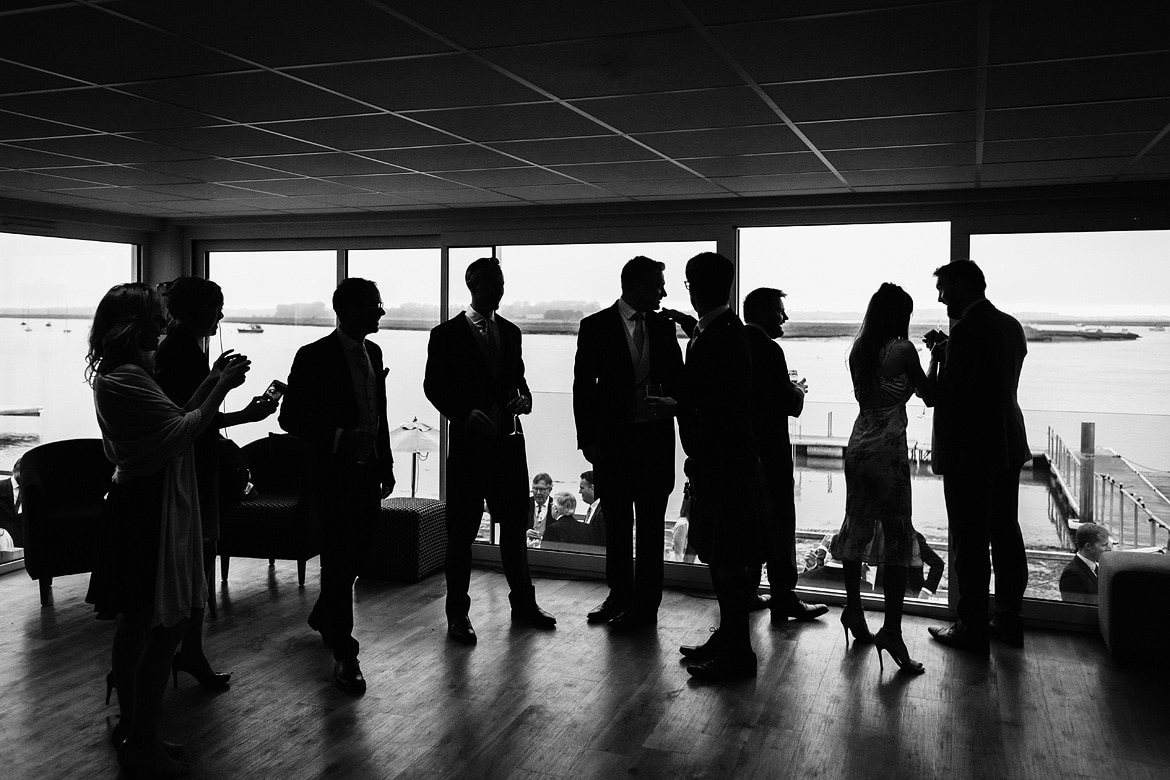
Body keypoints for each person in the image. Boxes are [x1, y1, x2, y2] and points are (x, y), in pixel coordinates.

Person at [85, 283, 249, 777]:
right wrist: (219, 387)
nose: (163, 325)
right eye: (156, 317)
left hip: (150, 501)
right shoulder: (123, 380)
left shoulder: (131, 373)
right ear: (131, 324)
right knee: (158, 623)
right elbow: (181, 432)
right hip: (145, 507)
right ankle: (140, 736)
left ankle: (139, 727)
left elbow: (176, 418)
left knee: (142, 621)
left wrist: (213, 380)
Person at [424, 257, 556, 646]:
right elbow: (433, 387)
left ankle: (524, 606)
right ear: (472, 286)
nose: (499, 289)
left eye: (501, 282)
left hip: (509, 447)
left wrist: (526, 399)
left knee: (515, 531)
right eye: (491, 283)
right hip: (468, 450)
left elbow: (519, 380)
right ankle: (457, 616)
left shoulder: (512, 332)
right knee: (460, 535)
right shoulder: (445, 334)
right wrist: (464, 415)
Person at [155, 277, 277, 689]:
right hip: (190, 469)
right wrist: (237, 406)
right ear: (195, 310)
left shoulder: (184, 347)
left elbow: (196, 421)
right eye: (217, 308)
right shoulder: (181, 351)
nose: (221, 316)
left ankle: (189, 650)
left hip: (196, 463)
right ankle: (187, 650)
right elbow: (188, 423)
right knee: (197, 560)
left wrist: (243, 412)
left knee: (200, 559)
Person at [279, 278, 395, 694]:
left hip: (368, 472)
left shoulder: (374, 351)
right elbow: (289, 417)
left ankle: (325, 613)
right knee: (338, 558)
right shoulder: (313, 357)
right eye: (374, 305)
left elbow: (378, 412)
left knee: (359, 555)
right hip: (331, 476)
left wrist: (387, 462)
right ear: (347, 310)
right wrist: (339, 438)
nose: (381, 312)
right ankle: (345, 654)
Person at [664, 252, 769, 681]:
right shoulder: (724, 330)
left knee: (726, 559)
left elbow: (715, 405)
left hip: (722, 464)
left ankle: (739, 655)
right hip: (732, 462)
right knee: (724, 557)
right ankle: (728, 639)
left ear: (696, 287)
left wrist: (677, 406)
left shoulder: (720, 337)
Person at [925, 260, 1030, 654]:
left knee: (969, 538)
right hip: (1007, 439)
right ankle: (1009, 620)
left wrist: (938, 358)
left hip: (971, 448)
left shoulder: (966, 331)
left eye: (944, 289)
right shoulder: (1011, 326)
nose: (940, 297)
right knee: (1006, 532)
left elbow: (945, 395)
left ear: (964, 286)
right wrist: (949, 349)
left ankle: (970, 627)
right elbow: (993, 378)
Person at [573, 255, 684, 630]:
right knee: (617, 522)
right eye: (658, 285)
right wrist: (587, 438)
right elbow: (583, 386)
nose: (664, 293)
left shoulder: (664, 327)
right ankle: (618, 594)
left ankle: (647, 603)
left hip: (655, 441)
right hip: (614, 444)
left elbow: (679, 378)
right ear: (635, 285)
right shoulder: (595, 327)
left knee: (652, 525)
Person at [830, 283, 933, 674]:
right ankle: (891, 630)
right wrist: (939, 357)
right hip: (888, 450)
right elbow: (931, 395)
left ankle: (853, 612)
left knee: (857, 528)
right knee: (895, 537)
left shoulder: (859, 349)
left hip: (858, 446)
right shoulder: (903, 350)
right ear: (899, 315)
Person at [741, 287, 829, 624]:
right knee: (780, 523)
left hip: (745, 452)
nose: (785, 318)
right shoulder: (770, 350)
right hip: (772, 454)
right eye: (780, 311)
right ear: (763, 313)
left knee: (747, 525)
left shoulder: (736, 345)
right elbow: (788, 405)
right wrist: (798, 390)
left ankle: (748, 591)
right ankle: (784, 597)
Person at [1059, 523, 1112, 603]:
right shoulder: (1072, 575)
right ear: (1088, 546)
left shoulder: (1096, 568)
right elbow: (1075, 610)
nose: (1109, 549)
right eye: (1104, 545)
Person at [525, 473, 554, 547]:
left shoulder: (556, 506)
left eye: (541, 489)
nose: (538, 493)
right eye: (535, 488)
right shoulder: (525, 504)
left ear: (549, 490)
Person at [578, 470, 605, 547]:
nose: (579, 492)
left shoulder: (601, 512)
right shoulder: (592, 509)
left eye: (582, 488)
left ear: (592, 488)